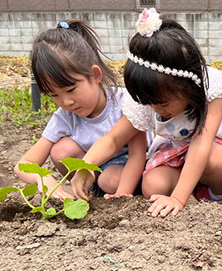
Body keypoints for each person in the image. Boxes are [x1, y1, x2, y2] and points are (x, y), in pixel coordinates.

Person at [71, 8, 222, 217]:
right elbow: (114, 139)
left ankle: (218, 200)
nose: (156, 109)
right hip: (174, 151)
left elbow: (201, 142)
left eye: (162, 103)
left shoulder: (211, 88)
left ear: (186, 87)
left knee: (211, 160)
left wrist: (178, 198)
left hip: (212, 150)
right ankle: (185, 196)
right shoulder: (149, 99)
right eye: (149, 103)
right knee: (152, 186)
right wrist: (85, 166)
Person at [15, 20, 146, 199]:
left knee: (110, 180)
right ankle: (89, 192)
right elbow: (23, 164)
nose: (66, 102)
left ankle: (111, 191)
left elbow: (137, 154)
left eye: (70, 90)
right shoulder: (65, 116)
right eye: (54, 95)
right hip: (93, 168)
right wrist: (42, 178)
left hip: (130, 164)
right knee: (61, 151)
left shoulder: (125, 102)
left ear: (95, 75)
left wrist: (123, 194)